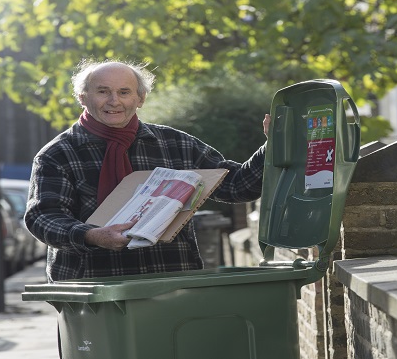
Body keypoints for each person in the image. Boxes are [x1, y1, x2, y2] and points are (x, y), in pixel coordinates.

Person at [25, 59, 269, 283]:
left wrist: (273, 145)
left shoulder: (176, 144)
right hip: (92, 289)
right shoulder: (57, 154)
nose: (114, 101)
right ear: (82, 97)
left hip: (171, 280)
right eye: (103, 91)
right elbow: (43, 218)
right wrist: (92, 235)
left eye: (124, 92)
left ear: (140, 99)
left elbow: (237, 187)